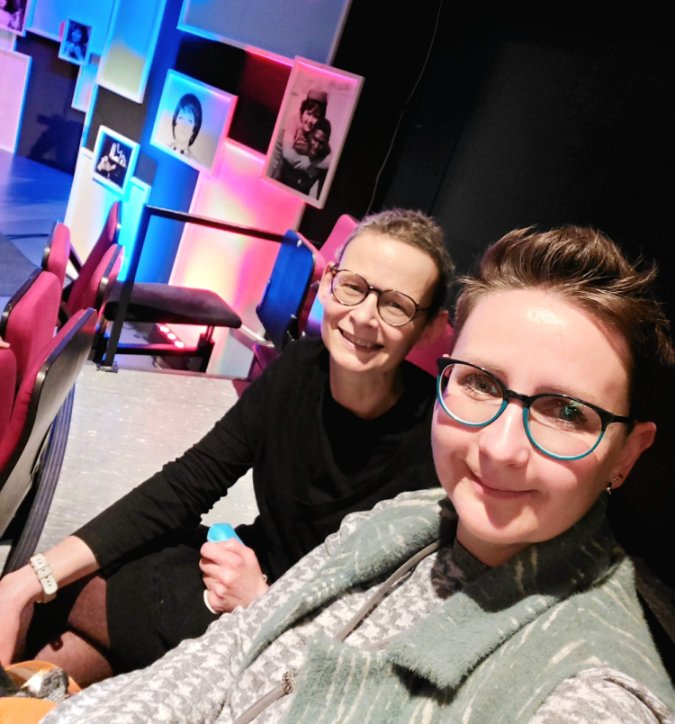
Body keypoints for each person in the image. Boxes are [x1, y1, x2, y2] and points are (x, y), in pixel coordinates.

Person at [35, 223, 675, 723]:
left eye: (566, 411)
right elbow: (237, 641)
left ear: (628, 454)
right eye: (481, 383)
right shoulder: (398, 520)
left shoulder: (595, 681)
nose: (502, 448)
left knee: (92, 603)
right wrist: (34, 577)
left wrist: (261, 602)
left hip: (254, 588)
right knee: (78, 587)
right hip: (246, 583)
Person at [0, 209, 453, 689]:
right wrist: (26, 580)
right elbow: (187, 484)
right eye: (353, 287)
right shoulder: (299, 367)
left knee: (72, 596)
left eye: (396, 305)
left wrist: (265, 602)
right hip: (236, 570)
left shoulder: (438, 444)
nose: (363, 315)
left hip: (298, 635)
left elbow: (397, 621)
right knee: (62, 593)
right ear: (327, 285)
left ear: (430, 328)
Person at [168, 92, 202, 156]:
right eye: (181, 118)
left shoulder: (192, 161)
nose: (183, 125)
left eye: (189, 121)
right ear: (175, 121)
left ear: (194, 129)